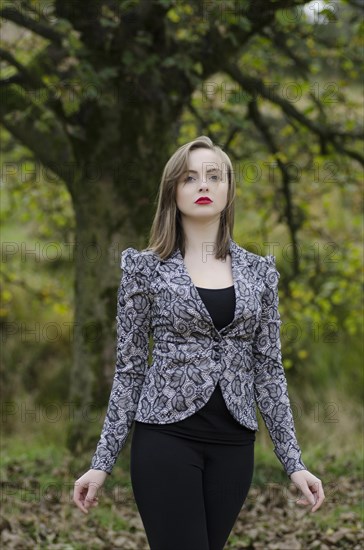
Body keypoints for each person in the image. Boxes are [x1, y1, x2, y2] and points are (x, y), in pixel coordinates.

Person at [73, 136, 325, 550]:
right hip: (166, 439)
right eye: (190, 178)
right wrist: (101, 463)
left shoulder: (259, 272)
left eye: (214, 176)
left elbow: (269, 371)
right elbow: (130, 368)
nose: (203, 185)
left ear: (229, 189)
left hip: (234, 445)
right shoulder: (145, 270)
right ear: (173, 190)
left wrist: (293, 461)